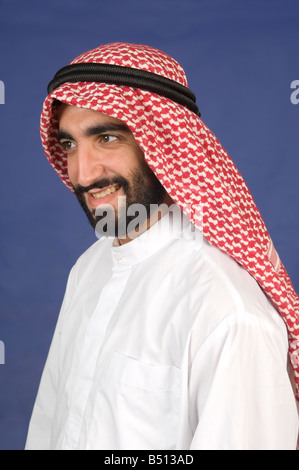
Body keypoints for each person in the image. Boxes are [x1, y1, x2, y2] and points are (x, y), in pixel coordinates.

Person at [25, 42, 299, 450]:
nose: (83, 173)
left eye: (106, 138)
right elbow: (49, 426)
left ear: (163, 143)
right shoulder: (89, 267)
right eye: (69, 145)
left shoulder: (227, 310)